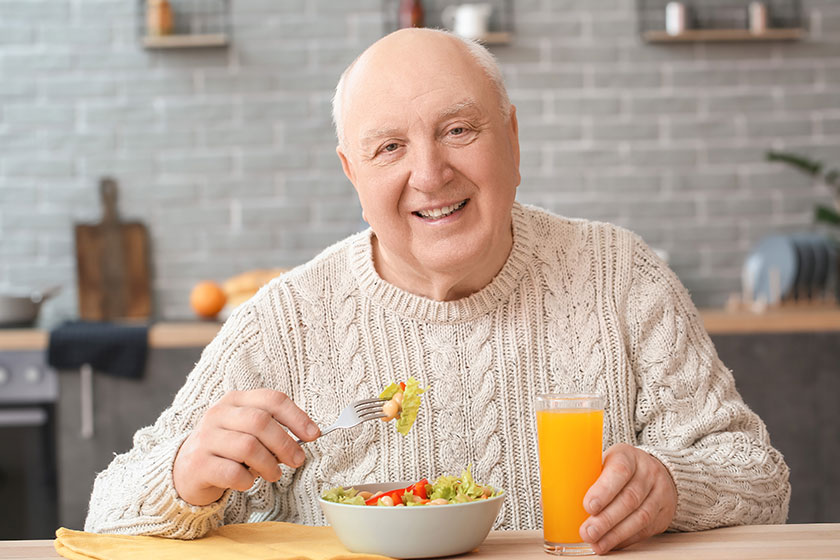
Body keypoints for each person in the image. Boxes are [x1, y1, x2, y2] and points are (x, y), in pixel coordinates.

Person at [85, 28, 790, 553]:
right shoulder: (285, 320)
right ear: (351, 174)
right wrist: (184, 476)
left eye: (458, 130)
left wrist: (671, 485)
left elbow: (759, 479)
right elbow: (106, 513)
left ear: (511, 140)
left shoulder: (619, 275)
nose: (429, 174)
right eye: (389, 147)